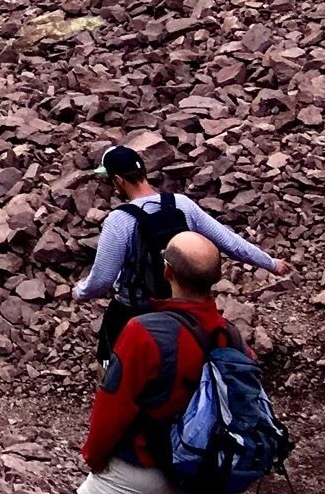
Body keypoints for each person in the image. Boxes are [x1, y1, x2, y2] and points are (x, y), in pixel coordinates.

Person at [72, 232, 244, 494]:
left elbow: (113, 405)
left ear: (167, 271)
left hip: (137, 468)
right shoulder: (229, 335)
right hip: (190, 472)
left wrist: (94, 457)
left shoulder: (144, 331)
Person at [76, 143, 284, 360]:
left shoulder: (120, 220)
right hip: (184, 308)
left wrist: (80, 292)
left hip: (134, 310)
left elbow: (102, 280)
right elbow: (230, 243)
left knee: (113, 368)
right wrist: (271, 263)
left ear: (119, 180)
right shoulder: (182, 204)